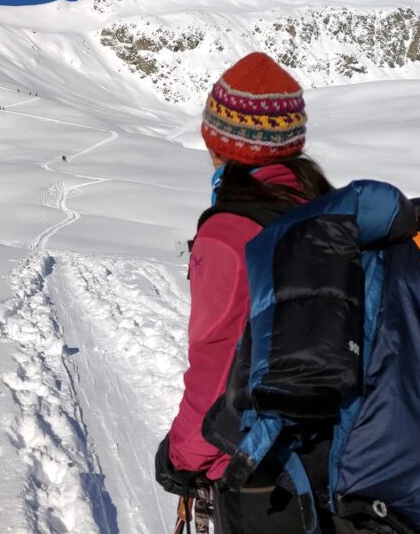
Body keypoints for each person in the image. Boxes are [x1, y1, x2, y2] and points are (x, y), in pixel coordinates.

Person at [155, 52, 359, 533]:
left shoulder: (228, 232)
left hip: (259, 472)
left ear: (219, 142)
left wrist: (182, 458)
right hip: (346, 462)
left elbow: (216, 366)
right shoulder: (332, 214)